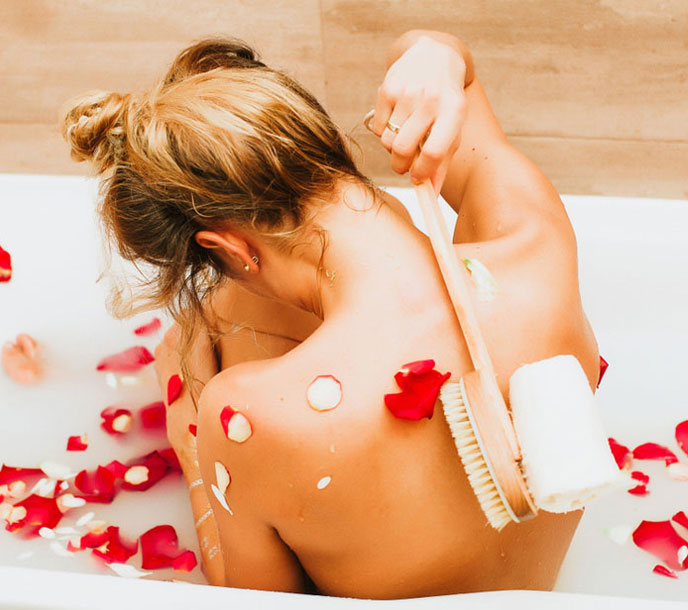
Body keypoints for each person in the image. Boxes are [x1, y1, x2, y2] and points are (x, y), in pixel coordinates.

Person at [61, 29, 600, 598]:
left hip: (299, 447)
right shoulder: (535, 242)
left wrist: (190, 430)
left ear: (229, 249)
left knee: (216, 318)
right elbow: (450, 72)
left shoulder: (251, 414)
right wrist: (437, 51)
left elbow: (256, 600)